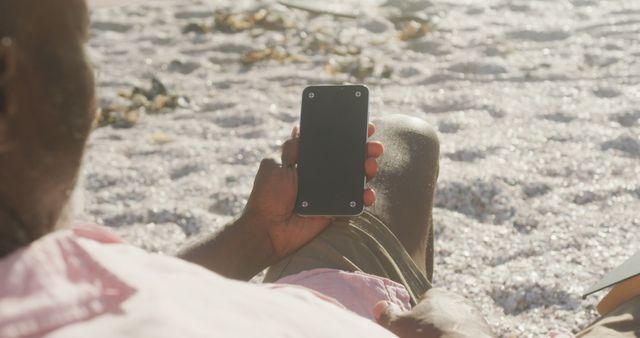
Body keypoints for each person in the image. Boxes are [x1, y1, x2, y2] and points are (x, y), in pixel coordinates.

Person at [0, 0, 636, 337]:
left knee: (399, 143)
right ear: (14, 81)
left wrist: (253, 239)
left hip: (304, 296)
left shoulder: (25, 256)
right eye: (77, 44)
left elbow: (119, 289)